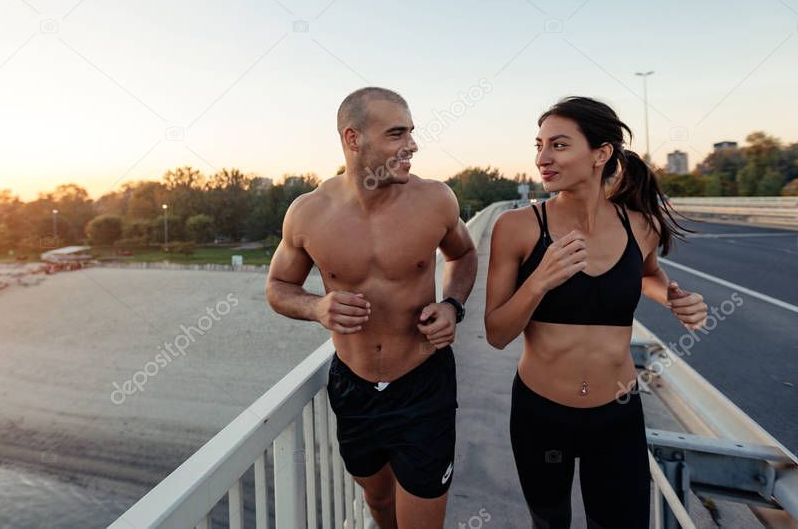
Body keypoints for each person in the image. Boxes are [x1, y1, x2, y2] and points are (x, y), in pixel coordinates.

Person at [484, 96, 708, 528]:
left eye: (559, 145)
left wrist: (673, 298)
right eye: (539, 145)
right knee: (550, 522)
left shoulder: (640, 225)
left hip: (617, 413)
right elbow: (495, 332)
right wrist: (540, 280)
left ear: (600, 154)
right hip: (540, 413)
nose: (542, 158)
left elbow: (647, 276)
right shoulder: (518, 228)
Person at [266, 87, 478, 529]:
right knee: (379, 502)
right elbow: (279, 286)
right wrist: (317, 307)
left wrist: (452, 304)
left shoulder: (436, 200)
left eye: (412, 133)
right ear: (353, 139)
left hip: (424, 384)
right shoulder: (307, 214)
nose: (413, 146)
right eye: (397, 134)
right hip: (354, 388)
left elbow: (463, 256)